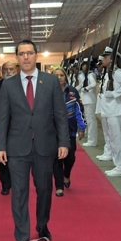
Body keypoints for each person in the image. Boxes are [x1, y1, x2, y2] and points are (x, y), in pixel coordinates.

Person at [0, 39, 69, 241]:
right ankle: (21, 237)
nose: (26, 57)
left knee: (44, 190)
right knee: (19, 193)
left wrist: (63, 141)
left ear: (36, 55)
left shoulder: (51, 81)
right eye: (21, 53)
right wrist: (1, 146)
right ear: (17, 57)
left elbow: (61, 115)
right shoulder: (8, 85)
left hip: (45, 147)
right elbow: (2, 118)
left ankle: (42, 225)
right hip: (17, 148)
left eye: (29, 53)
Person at [52, 67, 86, 197]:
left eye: (61, 75)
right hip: (53, 130)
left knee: (70, 157)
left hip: (69, 130)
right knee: (56, 159)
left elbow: (79, 110)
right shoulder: (47, 91)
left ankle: (66, 175)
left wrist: (82, 127)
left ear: (65, 77)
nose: (59, 77)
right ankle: (59, 186)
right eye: (56, 75)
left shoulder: (72, 92)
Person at [98, 47, 121, 177]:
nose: (103, 59)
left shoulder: (117, 72)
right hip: (108, 110)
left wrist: (115, 94)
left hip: (115, 110)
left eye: (106, 57)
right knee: (112, 138)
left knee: (117, 139)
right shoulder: (109, 73)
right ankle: (118, 163)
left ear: (112, 59)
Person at [0, 61, 16, 195]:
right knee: (2, 156)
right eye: (5, 69)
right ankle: (5, 184)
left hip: (21, 128)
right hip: (3, 128)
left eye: (11, 69)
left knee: (18, 157)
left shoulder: (23, 85)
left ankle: (16, 182)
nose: (8, 72)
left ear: (15, 70)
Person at [78, 59, 98, 147]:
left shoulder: (90, 75)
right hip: (86, 100)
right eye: (83, 65)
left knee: (91, 121)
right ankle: (90, 138)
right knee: (88, 120)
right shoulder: (85, 75)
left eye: (85, 65)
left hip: (90, 100)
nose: (84, 67)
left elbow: (94, 84)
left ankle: (92, 140)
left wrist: (86, 88)